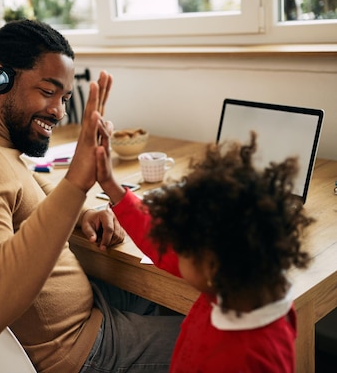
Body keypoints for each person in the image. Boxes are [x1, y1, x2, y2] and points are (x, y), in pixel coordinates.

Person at [0, 19, 182, 373]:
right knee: (225, 342)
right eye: (47, 91)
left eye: (65, 97)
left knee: (181, 305)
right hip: (77, 352)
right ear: (0, 78)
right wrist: (76, 184)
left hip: (79, 316)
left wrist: (83, 211)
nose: (58, 110)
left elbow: (26, 188)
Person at [97, 131, 315, 373]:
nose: (173, 248)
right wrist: (111, 186)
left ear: (210, 264)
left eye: (181, 247)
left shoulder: (247, 357)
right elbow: (159, 240)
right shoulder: (239, 277)